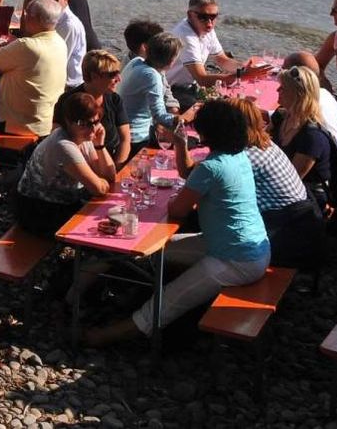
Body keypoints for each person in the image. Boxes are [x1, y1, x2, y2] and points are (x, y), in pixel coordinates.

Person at [87, 98, 270, 347]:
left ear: (209, 133)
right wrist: (180, 144)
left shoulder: (212, 167)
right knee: (156, 251)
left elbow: (178, 210)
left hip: (234, 259)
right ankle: (126, 291)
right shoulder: (237, 157)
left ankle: (102, 336)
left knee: (170, 300)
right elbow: (190, 176)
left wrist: (177, 196)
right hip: (247, 247)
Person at [231, 97, 325, 268]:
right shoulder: (267, 145)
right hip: (302, 226)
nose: (278, 92)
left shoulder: (244, 158)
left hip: (285, 239)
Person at [14, 90, 117, 235]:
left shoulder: (84, 137)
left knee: (113, 215)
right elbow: (98, 189)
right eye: (84, 124)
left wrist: (100, 145)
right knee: (105, 221)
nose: (92, 129)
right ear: (68, 122)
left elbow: (110, 176)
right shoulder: (63, 145)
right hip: (39, 211)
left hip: (63, 203)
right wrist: (101, 181)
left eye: (96, 121)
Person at [0, 0, 67, 135]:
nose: (23, 18)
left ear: (33, 18)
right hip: (45, 122)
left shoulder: (27, 46)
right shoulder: (60, 43)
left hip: (16, 123)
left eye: (25, 14)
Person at [271, 65, 337, 208]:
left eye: (282, 88)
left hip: (306, 197)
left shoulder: (312, 137)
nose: (277, 91)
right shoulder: (283, 116)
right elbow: (260, 141)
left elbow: (291, 181)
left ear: (297, 94)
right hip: (279, 180)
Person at [164, 0, 247, 106]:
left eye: (213, 17)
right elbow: (202, 79)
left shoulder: (206, 29)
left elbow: (222, 60)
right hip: (170, 89)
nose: (209, 22)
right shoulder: (185, 36)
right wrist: (242, 76)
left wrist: (244, 69)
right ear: (190, 15)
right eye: (203, 17)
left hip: (189, 86)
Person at [118, 31, 185, 159]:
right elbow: (159, 116)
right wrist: (184, 118)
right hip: (136, 137)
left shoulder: (137, 61)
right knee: (185, 142)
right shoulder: (151, 75)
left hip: (124, 128)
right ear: (171, 60)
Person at [69, 48, 129, 163]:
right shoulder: (69, 101)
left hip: (110, 162)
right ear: (94, 76)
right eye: (113, 75)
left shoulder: (114, 99)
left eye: (119, 74)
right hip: (81, 164)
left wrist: (117, 168)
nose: (119, 79)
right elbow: (62, 143)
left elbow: (125, 139)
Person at [36, 0, 87, 87]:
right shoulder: (52, 20)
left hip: (68, 86)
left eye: (54, 0)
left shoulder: (67, 25)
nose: (50, 5)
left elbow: (56, 61)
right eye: (45, 0)